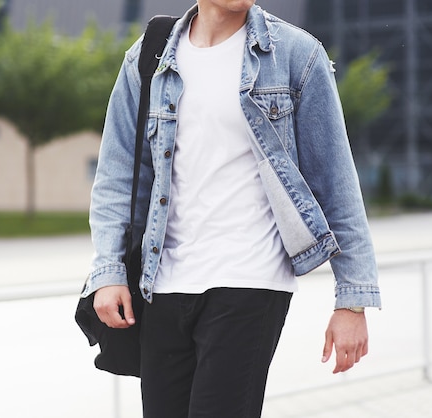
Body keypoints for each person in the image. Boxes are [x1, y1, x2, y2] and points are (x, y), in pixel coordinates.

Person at [81, 1, 382, 417]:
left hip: (250, 282)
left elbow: (337, 184)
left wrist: (352, 300)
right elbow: (117, 174)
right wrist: (109, 271)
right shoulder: (149, 56)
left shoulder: (295, 55)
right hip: (163, 284)